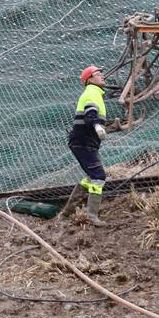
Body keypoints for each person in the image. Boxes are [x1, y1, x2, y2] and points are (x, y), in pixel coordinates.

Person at [67, 65, 109, 225]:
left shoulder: (95, 93)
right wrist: (98, 126)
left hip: (84, 142)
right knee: (99, 177)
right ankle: (92, 216)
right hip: (83, 143)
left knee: (93, 176)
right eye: (99, 74)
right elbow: (90, 112)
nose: (102, 76)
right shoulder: (92, 92)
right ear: (90, 79)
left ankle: (68, 211)